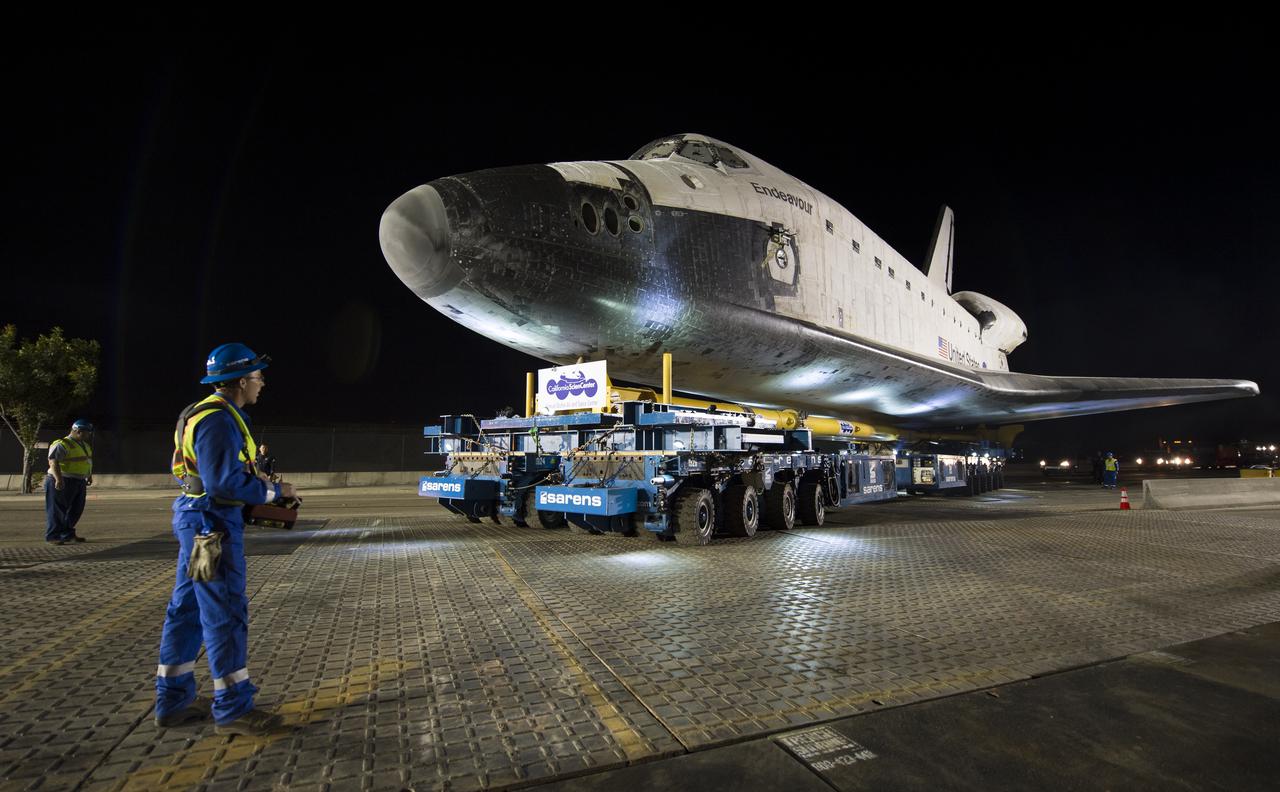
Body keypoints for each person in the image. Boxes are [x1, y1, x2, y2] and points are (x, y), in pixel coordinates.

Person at [154, 343, 296, 736]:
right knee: (225, 612)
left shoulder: (201, 412)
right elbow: (221, 482)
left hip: (198, 521)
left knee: (186, 609)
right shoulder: (219, 420)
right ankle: (233, 707)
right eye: (256, 377)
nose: (261, 384)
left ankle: (173, 700)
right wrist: (273, 492)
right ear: (238, 381)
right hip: (211, 526)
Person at [45, 419, 94, 544]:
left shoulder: (84, 445)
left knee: (76, 509)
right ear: (78, 431)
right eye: (87, 432)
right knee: (57, 510)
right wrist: (58, 479)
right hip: (63, 480)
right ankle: (53, 536)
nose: (89, 435)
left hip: (79, 481)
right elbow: (53, 462)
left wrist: (88, 475)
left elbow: (86, 461)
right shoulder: (62, 444)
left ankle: (67, 534)